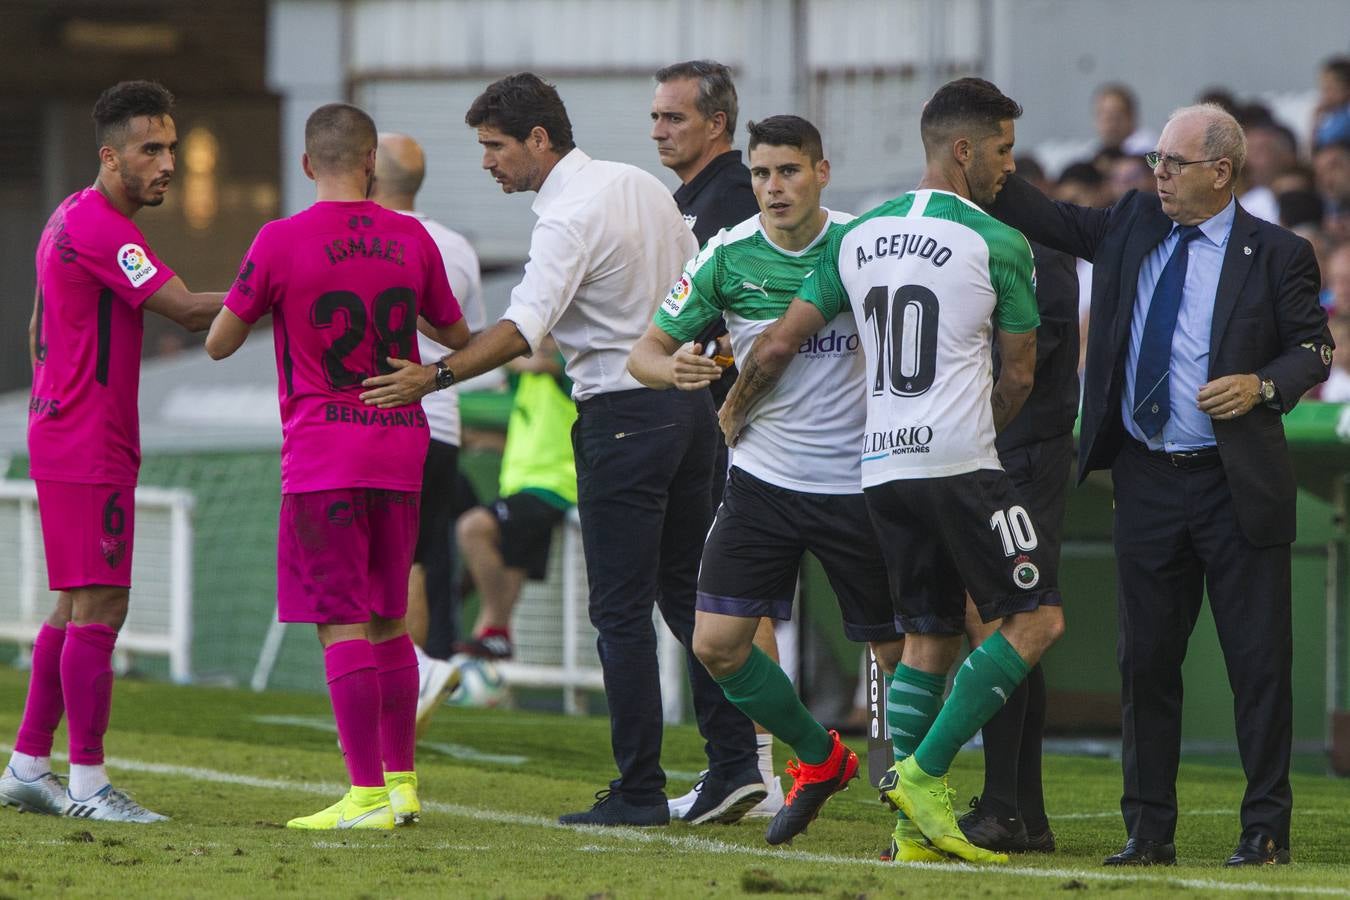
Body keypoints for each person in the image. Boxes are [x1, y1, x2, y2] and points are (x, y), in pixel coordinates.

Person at [359, 72, 762, 827]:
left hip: (622, 416)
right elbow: (699, 288)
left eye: (495, 147)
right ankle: (735, 762)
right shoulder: (642, 185)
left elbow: (521, 331)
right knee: (686, 599)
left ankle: (640, 788)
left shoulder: (567, 215)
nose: (487, 163)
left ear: (539, 139)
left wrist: (433, 374)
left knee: (619, 612)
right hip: (688, 412)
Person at [721, 77, 1063, 865]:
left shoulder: (859, 235)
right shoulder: (999, 243)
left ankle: (910, 837)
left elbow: (775, 345)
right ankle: (924, 771)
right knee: (1037, 619)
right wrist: (978, 430)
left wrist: (733, 410)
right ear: (964, 149)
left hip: (879, 468)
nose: (1011, 167)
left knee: (928, 637)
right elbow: (1018, 376)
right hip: (957, 460)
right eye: (1004, 150)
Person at [990, 102, 1332, 867]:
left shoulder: (1277, 252)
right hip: (1145, 479)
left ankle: (1264, 829)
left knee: (1258, 665)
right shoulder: (1133, 223)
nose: (1158, 176)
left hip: (1234, 482)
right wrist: (984, 158)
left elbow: (1314, 349)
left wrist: (1262, 386)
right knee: (1144, 663)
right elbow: (1046, 217)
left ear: (1222, 171)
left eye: (1173, 164)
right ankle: (1148, 831)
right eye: (1155, 162)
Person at [629, 114, 908, 840]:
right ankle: (818, 756)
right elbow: (645, 353)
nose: (773, 187)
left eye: (788, 171)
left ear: (821, 171)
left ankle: (905, 779)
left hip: (860, 481)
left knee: (896, 651)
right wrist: (676, 368)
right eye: (760, 173)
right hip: (762, 481)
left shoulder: (864, 246)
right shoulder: (726, 255)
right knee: (716, 642)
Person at [205, 102, 468, 830]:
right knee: (390, 617)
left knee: (340, 620)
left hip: (325, 452)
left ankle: (364, 794)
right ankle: (403, 784)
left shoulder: (280, 239)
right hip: (402, 445)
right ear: (369, 164)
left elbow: (221, 342)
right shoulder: (411, 236)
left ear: (304, 164)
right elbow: (455, 331)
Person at [0, 80, 221, 824]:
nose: (166, 163)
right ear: (110, 154)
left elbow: (39, 325)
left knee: (73, 602)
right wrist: (280, 282)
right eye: (149, 150)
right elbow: (190, 312)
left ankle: (29, 767)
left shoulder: (71, 216)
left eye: (171, 148)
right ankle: (90, 785)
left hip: (74, 430)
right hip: (85, 438)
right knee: (102, 603)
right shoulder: (102, 229)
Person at [650, 57, 783, 820]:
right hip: (733, 423)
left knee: (733, 595)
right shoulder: (694, 195)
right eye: (658, 118)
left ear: (717, 124)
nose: (661, 130)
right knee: (727, 593)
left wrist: (716, 366)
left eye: (675, 118)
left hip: (751, 426)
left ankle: (754, 763)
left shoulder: (733, 196)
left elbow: (746, 311)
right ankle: (751, 762)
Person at [957, 241, 1079, 854]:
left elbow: (1022, 367)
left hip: (1016, 455)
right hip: (1003, 453)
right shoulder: (1012, 245)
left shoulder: (1029, 251)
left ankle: (1004, 808)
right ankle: (1024, 813)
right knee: (1011, 627)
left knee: (1007, 621)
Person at [368, 131, 487, 701]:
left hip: (390, 415)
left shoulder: (373, 240)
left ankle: (411, 672)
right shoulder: (457, 246)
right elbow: (467, 338)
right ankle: (419, 670)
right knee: (422, 554)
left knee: (391, 560)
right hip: (443, 420)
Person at [448, 338, 576, 667]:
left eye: (550, 336)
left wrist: (493, 347)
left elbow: (530, 362)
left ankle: (496, 628)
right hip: (519, 490)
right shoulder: (524, 383)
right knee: (508, 564)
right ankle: (493, 639)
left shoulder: (566, 371)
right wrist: (477, 440)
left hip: (551, 489)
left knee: (471, 529)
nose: (544, 344)